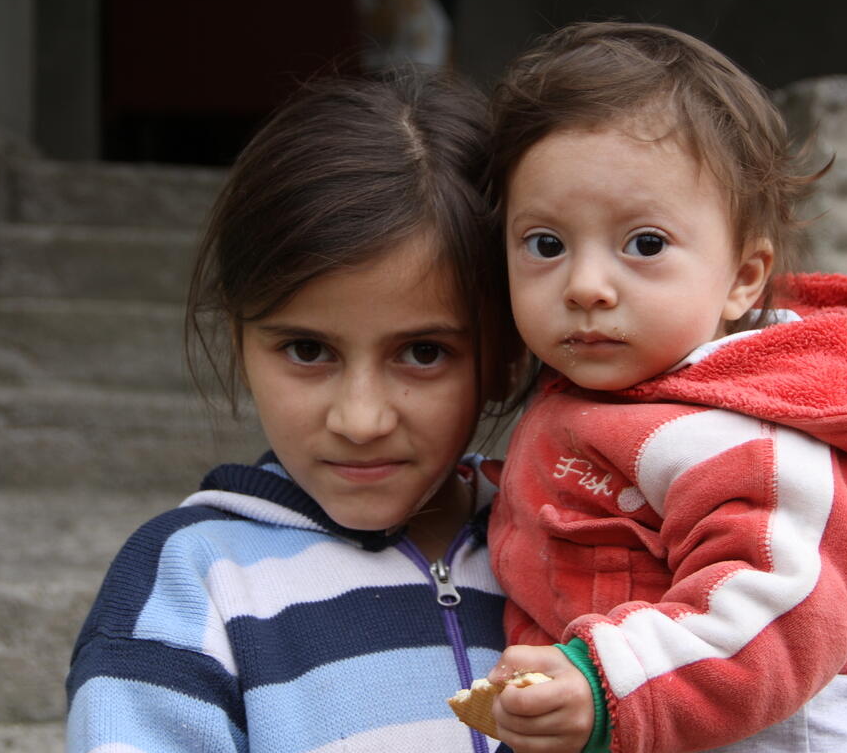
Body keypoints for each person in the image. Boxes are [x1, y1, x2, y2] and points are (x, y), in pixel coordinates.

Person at [479, 22, 847, 753]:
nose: (586, 286)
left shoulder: (756, 427)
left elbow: (778, 604)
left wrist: (603, 683)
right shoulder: (604, 387)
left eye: (645, 244)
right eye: (546, 244)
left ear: (742, 278)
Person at [65, 69, 524, 753]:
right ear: (239, 342)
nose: (361, 419)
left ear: (507, 353)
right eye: (308, 349)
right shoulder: (192, 585)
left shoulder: (580, 537)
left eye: (424, 353)